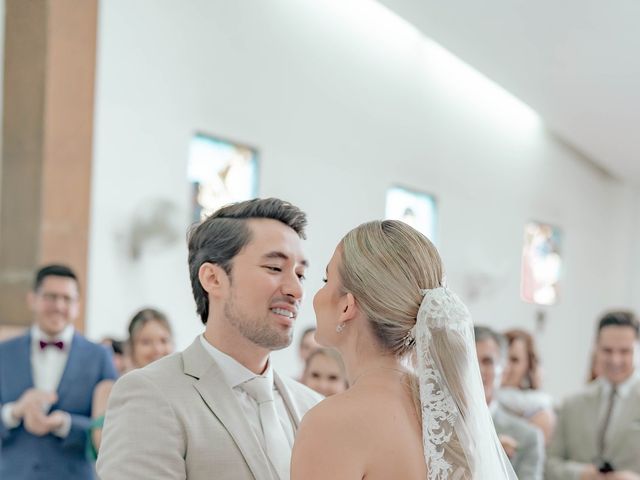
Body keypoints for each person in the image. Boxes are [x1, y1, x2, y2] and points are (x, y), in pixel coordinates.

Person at [97, 198, 321, 480]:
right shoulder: (152, 394)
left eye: (300, 274)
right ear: (213, 278)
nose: (296, 290)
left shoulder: (313, 407)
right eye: (275, 268)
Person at [291, 220, 516, 479]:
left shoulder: (330, 424)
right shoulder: (446, 417)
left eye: (326, 279)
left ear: (346, 306)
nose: (314, 294)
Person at [0, 264, 117, 479]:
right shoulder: (3, 353)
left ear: (78, 305)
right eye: (50, 297)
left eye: (67, 298)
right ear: (32, 299)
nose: (58, 305)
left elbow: (112, 428)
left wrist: (65, 423)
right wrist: (13, 412)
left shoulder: (100, 356)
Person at [546, 310, 640, 480]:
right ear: (596, 347)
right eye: (607, 350)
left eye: (625, 351)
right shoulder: (572, 404)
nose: (615, 360)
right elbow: (549, 465)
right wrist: (579, 473)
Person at [87, 308, 175, 459]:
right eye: (146, 342)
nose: (158, 349)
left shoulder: (183, 390)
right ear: (131, 348)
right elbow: (103, 446)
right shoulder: (109, 390)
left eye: (163, 340)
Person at [475, 326, 544, 480]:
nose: (478, 370)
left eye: (488, 361)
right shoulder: (439, 425)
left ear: (504, 370)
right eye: (471, 360)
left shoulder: (528, 437)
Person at [499, 328, 556, 443]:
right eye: (503, 357)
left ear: (529, 367)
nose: (506, 366)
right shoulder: (479, 398)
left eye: (514, 360)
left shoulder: (540, 412)